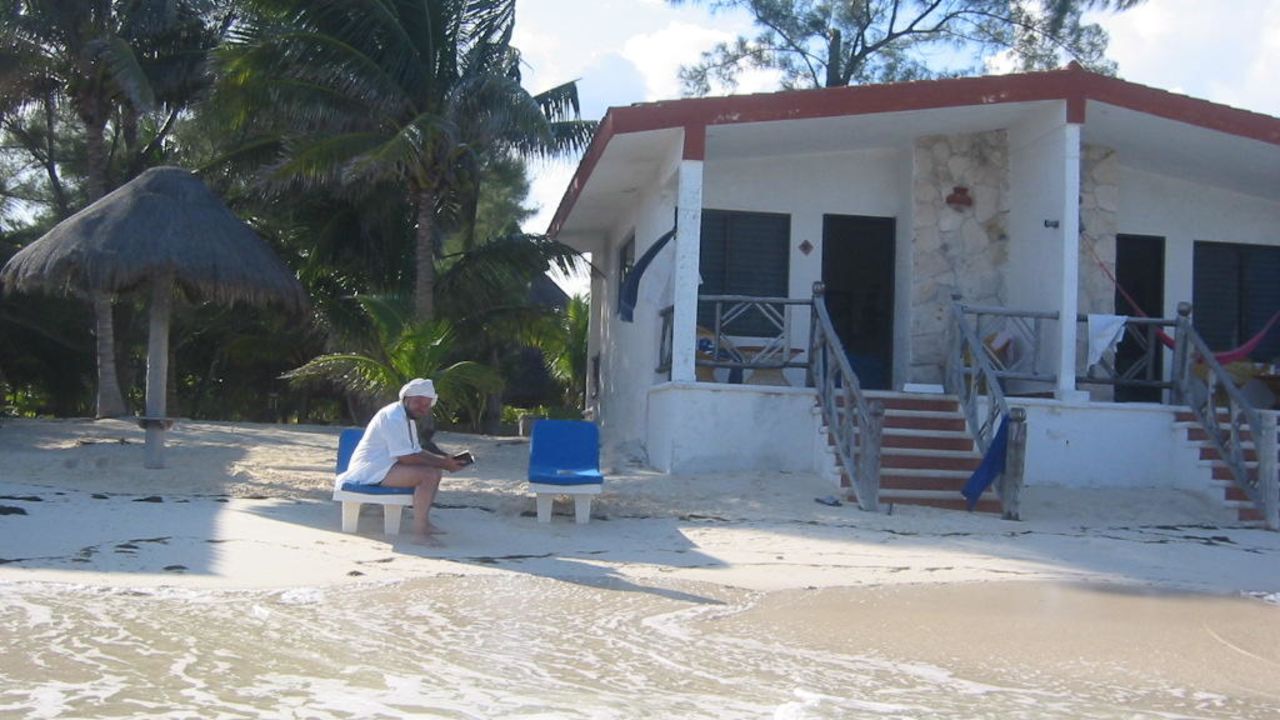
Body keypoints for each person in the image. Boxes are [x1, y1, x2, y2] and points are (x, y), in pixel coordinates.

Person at [337, 378, 464, 542]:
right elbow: (407, 457)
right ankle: (420, 533)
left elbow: (416, 451)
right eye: (418, 402)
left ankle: (424, 524)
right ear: (407, 398)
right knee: (429, 475)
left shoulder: (405, 417)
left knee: (435, 472)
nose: (422, 408)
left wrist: (444, 460)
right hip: (369, 470)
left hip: (384, 467)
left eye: (426, 404)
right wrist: (445, 463)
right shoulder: (394, 417)